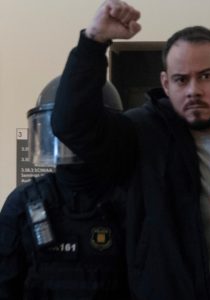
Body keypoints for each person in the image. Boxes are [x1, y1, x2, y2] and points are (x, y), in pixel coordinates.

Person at [51, 1, 210, 299]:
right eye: (181, 79)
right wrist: (93, 41)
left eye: (205, 76)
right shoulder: (141, 135)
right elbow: (71, 124)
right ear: (166, 84)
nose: (193, 90)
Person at [0, 76, 130, 299]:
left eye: (82, 129)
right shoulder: (23, 204)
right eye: (64, 129)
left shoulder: (129, 201)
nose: (72, 141)